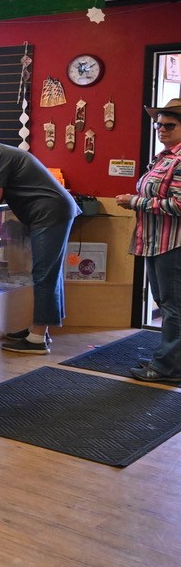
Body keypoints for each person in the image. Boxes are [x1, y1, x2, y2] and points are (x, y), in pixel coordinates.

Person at [0, 126, 78, 354]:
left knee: (44, 274)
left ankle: (37, 338)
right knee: (49, 273)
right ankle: (40, 330)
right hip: (54, 211)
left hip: (49, 213)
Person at [115, 98, 181, 383]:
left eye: (169, 125)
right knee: (166, 302)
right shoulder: (164, 157)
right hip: (155, 241)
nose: (161, 129)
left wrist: (135, 201)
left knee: (173, 306)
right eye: (158, 125)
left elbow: (179, 204)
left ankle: (169, 367)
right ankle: (168, 360)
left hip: (173, 243)